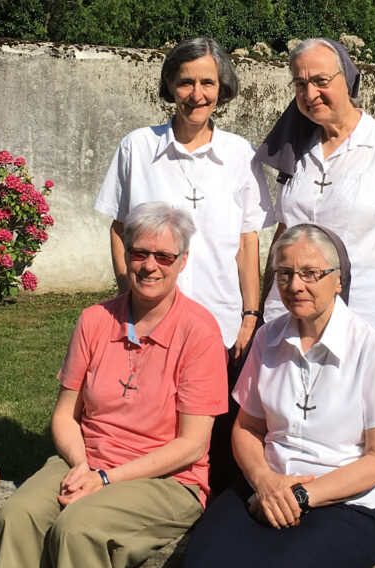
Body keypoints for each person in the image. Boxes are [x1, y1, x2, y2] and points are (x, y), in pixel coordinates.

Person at [0, 202, 228, 568]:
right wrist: (83, 464)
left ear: (182, 262)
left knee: (78, 530)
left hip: (166, 480)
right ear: (127, 255)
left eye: (164, 257)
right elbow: (66, 415)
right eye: (140, 253)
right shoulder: (94, 320)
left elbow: (193, 445)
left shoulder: (199, 332)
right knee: (17, 515)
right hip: (88, 459)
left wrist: (106, 479)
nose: (150, 265)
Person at [182, 224, 375, 568]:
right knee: (201, 566)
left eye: (310, 273)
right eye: (285, 273)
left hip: (347, 503)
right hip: (265, 486)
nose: (295, 285)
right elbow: (247, 427)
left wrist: (302, 497)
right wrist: (264, 480)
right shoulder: (266, 339)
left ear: (338, 280)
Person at [94, 36, 272, 495]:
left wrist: (250, 315)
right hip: (151, 321)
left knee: (220, 433)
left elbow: (246, 241)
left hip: (221, 322)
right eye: (186, 82)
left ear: (222, 88)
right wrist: (128, 294)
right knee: (153, 423)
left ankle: (215, 522)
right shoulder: (137, 147)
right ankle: (151, 503)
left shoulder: (239, 155)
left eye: (208, 82)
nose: (197, 94)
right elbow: (120, 228)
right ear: (170, 86)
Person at [256, 37, 375, 503]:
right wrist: (259, 309)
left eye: (320, 81)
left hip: (363, 316)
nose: (310, 93)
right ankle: (279, 498)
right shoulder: (297, 151)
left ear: (346, 79)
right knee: (286, 418)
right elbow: (282, 236)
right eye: (299, 83)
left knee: (371, 426)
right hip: (287, 312)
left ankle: (371, 517)